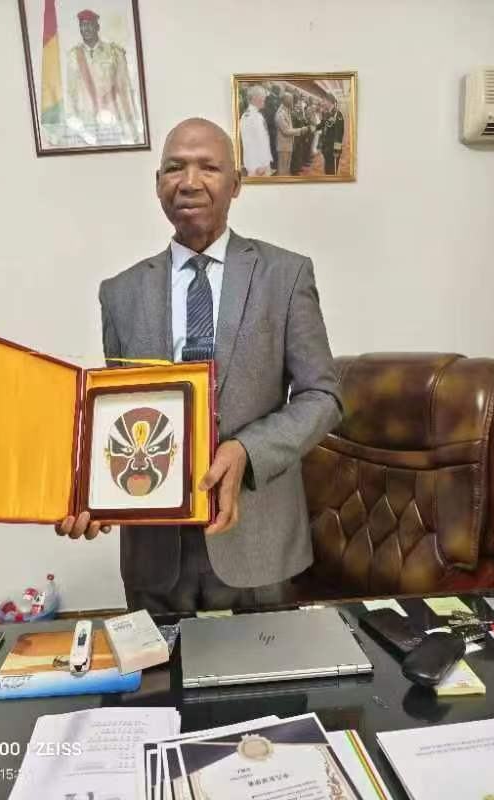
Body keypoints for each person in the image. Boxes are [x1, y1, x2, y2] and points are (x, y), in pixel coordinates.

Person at [56, 118, 342, 614]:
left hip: (258, 540)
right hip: (154, 552)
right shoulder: (119, 293)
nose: (189, 182)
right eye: (175, 168)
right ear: (158, 184)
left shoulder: (286, 275)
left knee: (265, 668)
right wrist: (86, 492)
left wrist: (247, 449)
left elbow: (323, 396)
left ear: (236, 183)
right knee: (161, 668)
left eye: (208, 167)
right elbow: (119, 415)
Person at [65, 9, 140, 145]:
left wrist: (132, 124)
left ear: (97, 27)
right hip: (87, 122)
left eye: (89, 24)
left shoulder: (114, 52)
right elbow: (70, 92)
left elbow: (125, 89)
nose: (85, 29)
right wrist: (74, 120)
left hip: (114, 119)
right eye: (82, 25)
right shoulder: (73, 56)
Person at [239, 85, 273, 177]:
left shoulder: (258, 115)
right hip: (257, 168)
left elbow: (263, 140)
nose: (265, 99)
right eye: (263, 96)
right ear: (255, 98)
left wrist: (266, 160)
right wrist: (256, 166)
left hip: (263, 163)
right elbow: (248, 144)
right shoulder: (248, 117)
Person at [275, 93, 308, 176]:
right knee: (282, 170)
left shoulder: (287, 111)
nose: (293, 101)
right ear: (285, 100)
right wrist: (300, 130)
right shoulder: (280, 114)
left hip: (288, 144)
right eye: (291, 99)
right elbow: (286, 131)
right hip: (283, 146)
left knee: (286, 169)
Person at [318, 97, 345, 175]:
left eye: (325, 101)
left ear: (330, 102)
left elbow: (339, 134)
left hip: (333, 149)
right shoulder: (328, 113)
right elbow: (322, 125)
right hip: (326, 147)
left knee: (332, 172)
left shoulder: (338, 115)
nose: (323, 103)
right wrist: (311, 128)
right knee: (327, 170)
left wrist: (336, 150)